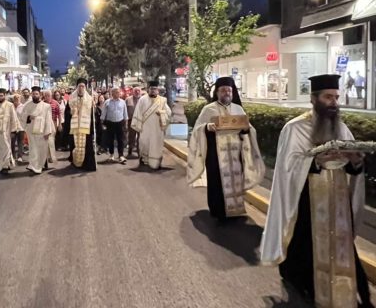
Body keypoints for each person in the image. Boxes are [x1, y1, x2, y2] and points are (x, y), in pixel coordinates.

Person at [260, 74, 372, 306]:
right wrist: (316, 161)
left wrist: (355, 161)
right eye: (328, 97)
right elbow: (288, 167)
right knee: (305, 245)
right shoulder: (295, 128)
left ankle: (356, 291)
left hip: (338, 201)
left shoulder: (341, 128)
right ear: (314, 99)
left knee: (343, 245)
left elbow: (352, 168)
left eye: (336, 97)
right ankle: (306, 284)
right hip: (307, 201)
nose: (334, 102)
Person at [188, 77, 264, 219]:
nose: (226, 93)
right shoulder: (208, 109)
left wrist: (246, 129)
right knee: (216, 182)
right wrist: (206, 127)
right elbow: (197, 129)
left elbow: (248, 129)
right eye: (223, 90)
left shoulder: (238, 109)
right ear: (217, 92)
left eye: (229, 90)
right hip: (215, 154)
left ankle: (235, 209)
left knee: (236, 181)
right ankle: (218, 211)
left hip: (235, 153)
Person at [131, 80, 172, 170]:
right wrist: (138, 125)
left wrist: (161, 113)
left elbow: (168, 113)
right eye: (151, 89)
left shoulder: (162, 100)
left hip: (157, 128)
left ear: (157, 90)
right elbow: (138, 112)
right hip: (145, 127)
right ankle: (144, 160)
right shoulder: (142, 99)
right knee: (144, 143)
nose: (153, 90)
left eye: (155, 89)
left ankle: (156, 163)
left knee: (156, 144)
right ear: (148, 89)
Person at [0, 88, 21, 174]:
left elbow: (13, 118)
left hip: (6, 130)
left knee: (6, 146)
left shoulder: (9, 105)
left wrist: (13, 130)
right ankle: (0, 162)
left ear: (4, 96)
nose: (0, 97)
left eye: (2, 96)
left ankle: (5, 165)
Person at [66, 78, 97, 171]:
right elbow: (67, 113)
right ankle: (76, 163)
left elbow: (93, 115)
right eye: (79, 86)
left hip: (85, 126)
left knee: (87, 146)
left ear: (85, 87)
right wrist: (71, 112)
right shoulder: (71, 99)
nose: (81, 88)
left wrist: (94, 107)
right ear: (77, 87)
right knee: (75, 144)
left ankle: (87, 164)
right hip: (75, 126)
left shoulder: (90, 99)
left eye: (83, 86)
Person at [23, 86, 54, 175]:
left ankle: (41, 164)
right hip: (31, 131)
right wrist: (28, 117)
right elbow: (23, 117)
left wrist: (48, 131)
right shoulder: (27, 105)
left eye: (36, 94)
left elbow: (48, 119)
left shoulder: (46, 106)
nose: (35, 95)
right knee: (33, 149)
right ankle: (34, 166)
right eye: (33, 94)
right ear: (31, 94)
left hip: (42, 131)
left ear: (40, 95)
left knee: (42, 149)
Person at [101, 87, 128, 164]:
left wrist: (126, 124)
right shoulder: (107, 102)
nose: (118, 93)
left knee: (120, 140)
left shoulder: (123, 102)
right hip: (110, 123)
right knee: (110, 139)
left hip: (120, 122)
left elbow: (125, 113)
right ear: (112, 93)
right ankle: (111, 154)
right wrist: (102, 123)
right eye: (116, 92)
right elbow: (103, 113)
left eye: (118, 92)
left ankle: (121, 155)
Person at [43, 89, 60, 163]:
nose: (47, 97)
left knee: (52, 140)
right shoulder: (42, 103)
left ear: (51, 95)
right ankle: (47, 156)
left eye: (48, 95)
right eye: (46, 95)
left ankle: (52, 156)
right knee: (46, 140)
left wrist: (59, 124)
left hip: (54, 123)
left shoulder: (55, 103)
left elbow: (59, 114)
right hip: (45, 123)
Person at [125, 86, 142, 158]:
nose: (137, 92)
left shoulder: (143, 100)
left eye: (138, 91)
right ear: (133, 92)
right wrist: (125, 121)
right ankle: (130, 151)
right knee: (131, 136)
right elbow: (125, 110)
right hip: (131, 121)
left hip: (140, 121)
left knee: (140, 137)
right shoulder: (128, 99)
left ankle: (139, 152)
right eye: (136, 91)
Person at [10, 93, 26, 162]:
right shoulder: (11, 106)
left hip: (21, 127)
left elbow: (25, 117)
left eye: (18, 98)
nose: (16, 99)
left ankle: (20, 156)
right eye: (15, 98)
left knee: (20, 142)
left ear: (20, 99)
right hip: (12, 127)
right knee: (12, 142)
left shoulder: (23, 107)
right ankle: (13, 156)